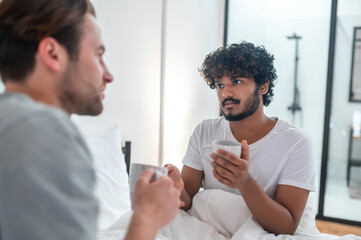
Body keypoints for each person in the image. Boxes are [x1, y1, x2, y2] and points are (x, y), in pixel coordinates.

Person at [0, 1, 180, 240]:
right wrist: (148, 217)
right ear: (53, 53)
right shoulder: (44, 132)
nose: (108, 75)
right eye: (98, 55)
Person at [166, 41, 315, 235]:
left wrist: (245, 183)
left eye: (237, 82)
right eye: (220, 85)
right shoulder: (204, 131)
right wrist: (177, 188)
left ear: (263, 86)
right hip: (211, 230)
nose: (225, 93)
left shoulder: (296, 142)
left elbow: (286, 226)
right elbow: (187, 202)